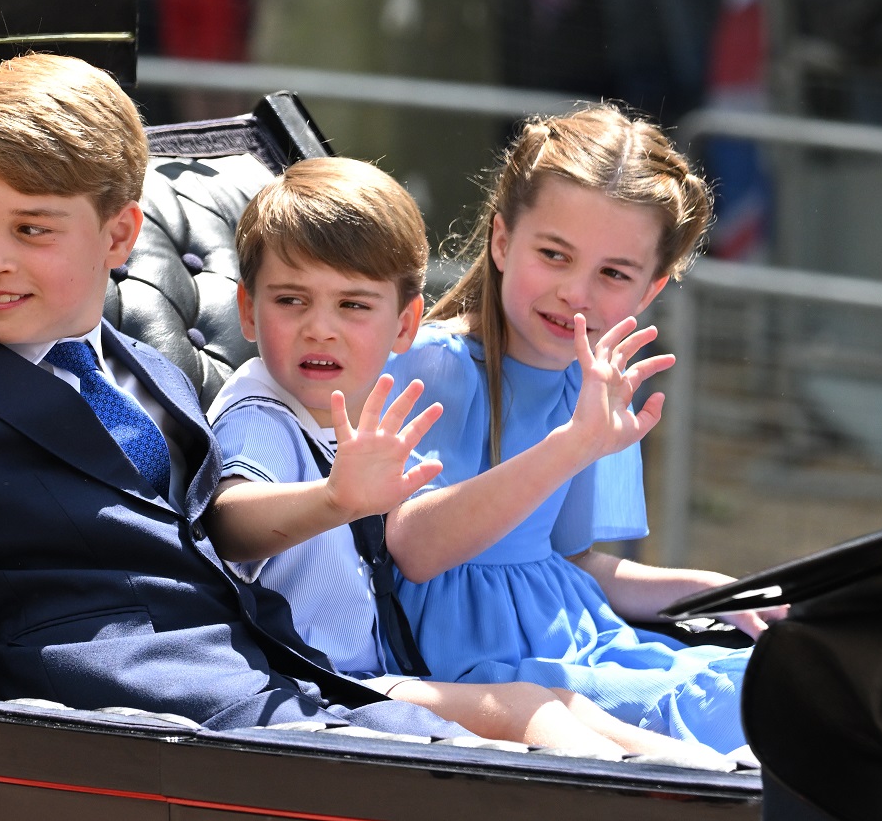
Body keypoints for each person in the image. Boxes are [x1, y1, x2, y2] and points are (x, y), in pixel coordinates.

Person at [0, 52, 470, 739]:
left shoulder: (154, 371)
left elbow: (207, 542)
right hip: (130, 720)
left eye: (31, 228)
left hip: (280, 679)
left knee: (523, 753)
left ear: (120, 235)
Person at [204, 155, 727, 762]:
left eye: (351, 306)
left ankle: (715, 779)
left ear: (402, 323)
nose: (321, 328)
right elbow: (228, 522)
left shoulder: (588, 388)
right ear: (247, 309)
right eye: (292, 300)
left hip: (385, 668)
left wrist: (713, 591)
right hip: (325, 684)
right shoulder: (268, 410)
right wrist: (333, 499)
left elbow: (573, 561)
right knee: (534, 706)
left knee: (576, 709)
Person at [381, 102, 784, 756]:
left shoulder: (598, 380)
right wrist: (572, 444)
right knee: (748, 708)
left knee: (766, 678)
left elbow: (577, 564)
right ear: (503, 241)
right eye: (554, 254)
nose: (576, 292)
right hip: (493, 671)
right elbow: (415, 549)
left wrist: (708, 589)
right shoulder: (435, 365)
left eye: (613, 274)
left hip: (588, 641)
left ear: (649, 291)